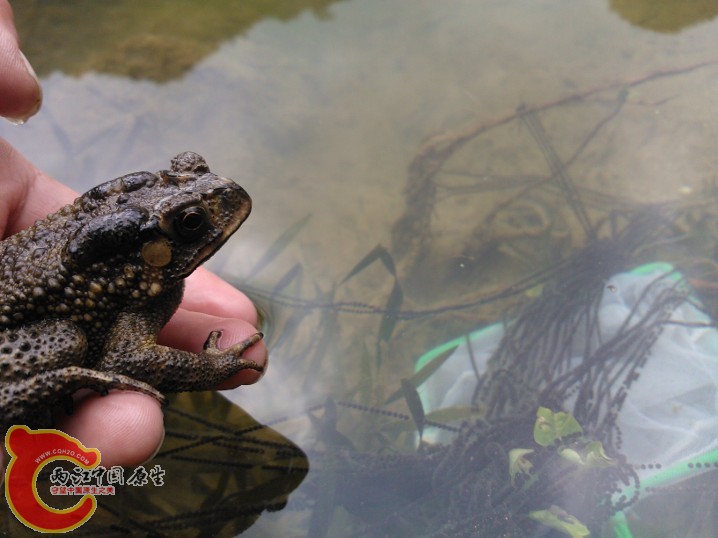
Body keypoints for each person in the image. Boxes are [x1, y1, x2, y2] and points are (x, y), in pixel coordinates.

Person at [0, 1, 267, 466]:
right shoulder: (138, 295)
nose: (221, 195)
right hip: (16, 322)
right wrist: (213, 367)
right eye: (190, 224)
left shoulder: (144, 279)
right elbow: (126, 358)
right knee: (67, 344)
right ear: (150, 251)